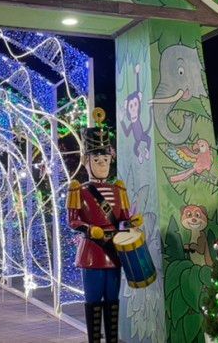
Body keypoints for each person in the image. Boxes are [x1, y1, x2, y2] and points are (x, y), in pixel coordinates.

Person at [66, 122, 143, 343]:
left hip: (114, 251)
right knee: (93, 300)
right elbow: (72, 221)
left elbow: (122, 221)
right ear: (87, 162)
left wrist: (131, 222)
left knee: (112, 299)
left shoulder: (118, 189)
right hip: (92, 251)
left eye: (105, 160)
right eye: (97, 161)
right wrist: (90, 229)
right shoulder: (78, 190)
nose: (102, 165)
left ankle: (112, 340)